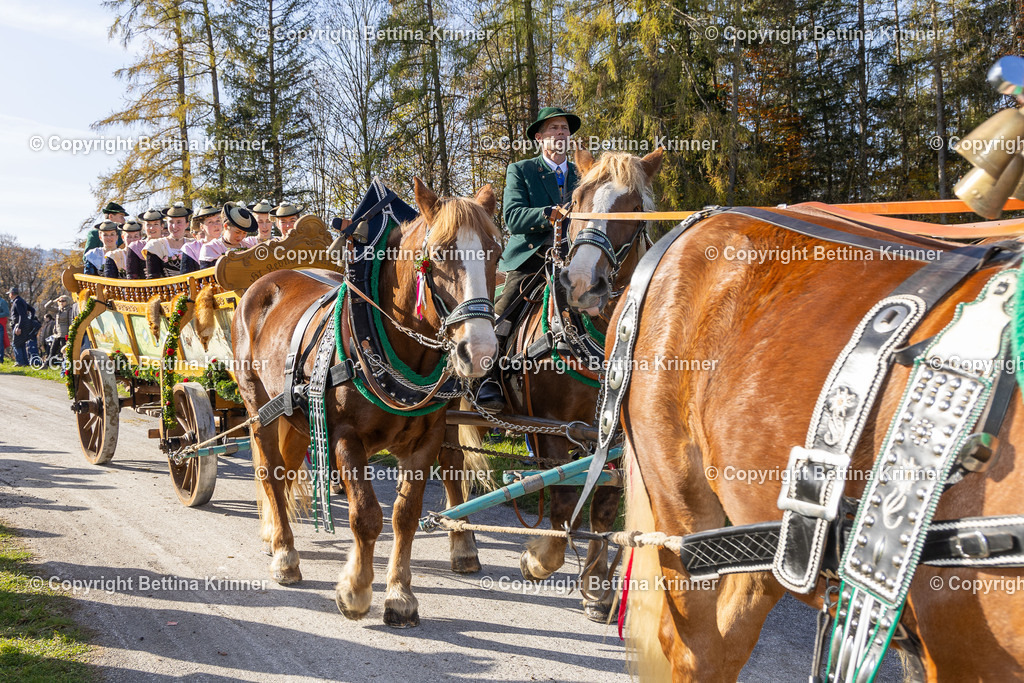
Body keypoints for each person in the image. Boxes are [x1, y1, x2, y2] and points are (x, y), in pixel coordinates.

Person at [476, 106, 582, 412]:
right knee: (503, 312)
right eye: (554, 129)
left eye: (565, 128)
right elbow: (513, 217)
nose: (561, 133)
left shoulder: (582, 173)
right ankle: (488, 380)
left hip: (574, 257)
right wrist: (547, 214)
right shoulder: (521, 171)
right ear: (539, 137)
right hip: (532, 259)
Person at [199, 202, 259, 268]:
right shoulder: (211, 248)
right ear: (226, 226)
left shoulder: (249, 246)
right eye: (237, 232)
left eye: (244, 233)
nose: (240, 236)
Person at [144, 202, 193, 278]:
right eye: (171, 222)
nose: (174, 226)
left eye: (179, 222)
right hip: (165, 289)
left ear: (187, 224)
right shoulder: (156, 245)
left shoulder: (193, 244)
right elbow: (153, 277)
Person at [8, 286, 41, 367]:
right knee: (21, 343)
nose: (9, 295)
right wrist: (30, 320)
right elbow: (32, 310)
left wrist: (18, 327)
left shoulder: (17, 302)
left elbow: (21, 315)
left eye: (9, 294)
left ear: (12, 294)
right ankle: (25, 362)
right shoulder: (22, 301)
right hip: (24, 324)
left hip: (19, 325)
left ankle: (20, 362)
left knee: (16, 344)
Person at [182, 206, 220, 273]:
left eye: (218, 220)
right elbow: (185, 278)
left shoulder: (227, 245)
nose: (216, 225)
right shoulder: (191, 249)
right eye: (210, 222)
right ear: (202, 227)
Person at [0, 294, 9, 363]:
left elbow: (6, 313)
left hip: (0, 324)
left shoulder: (2, 302)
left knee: (0, 342)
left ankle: (0, 359)